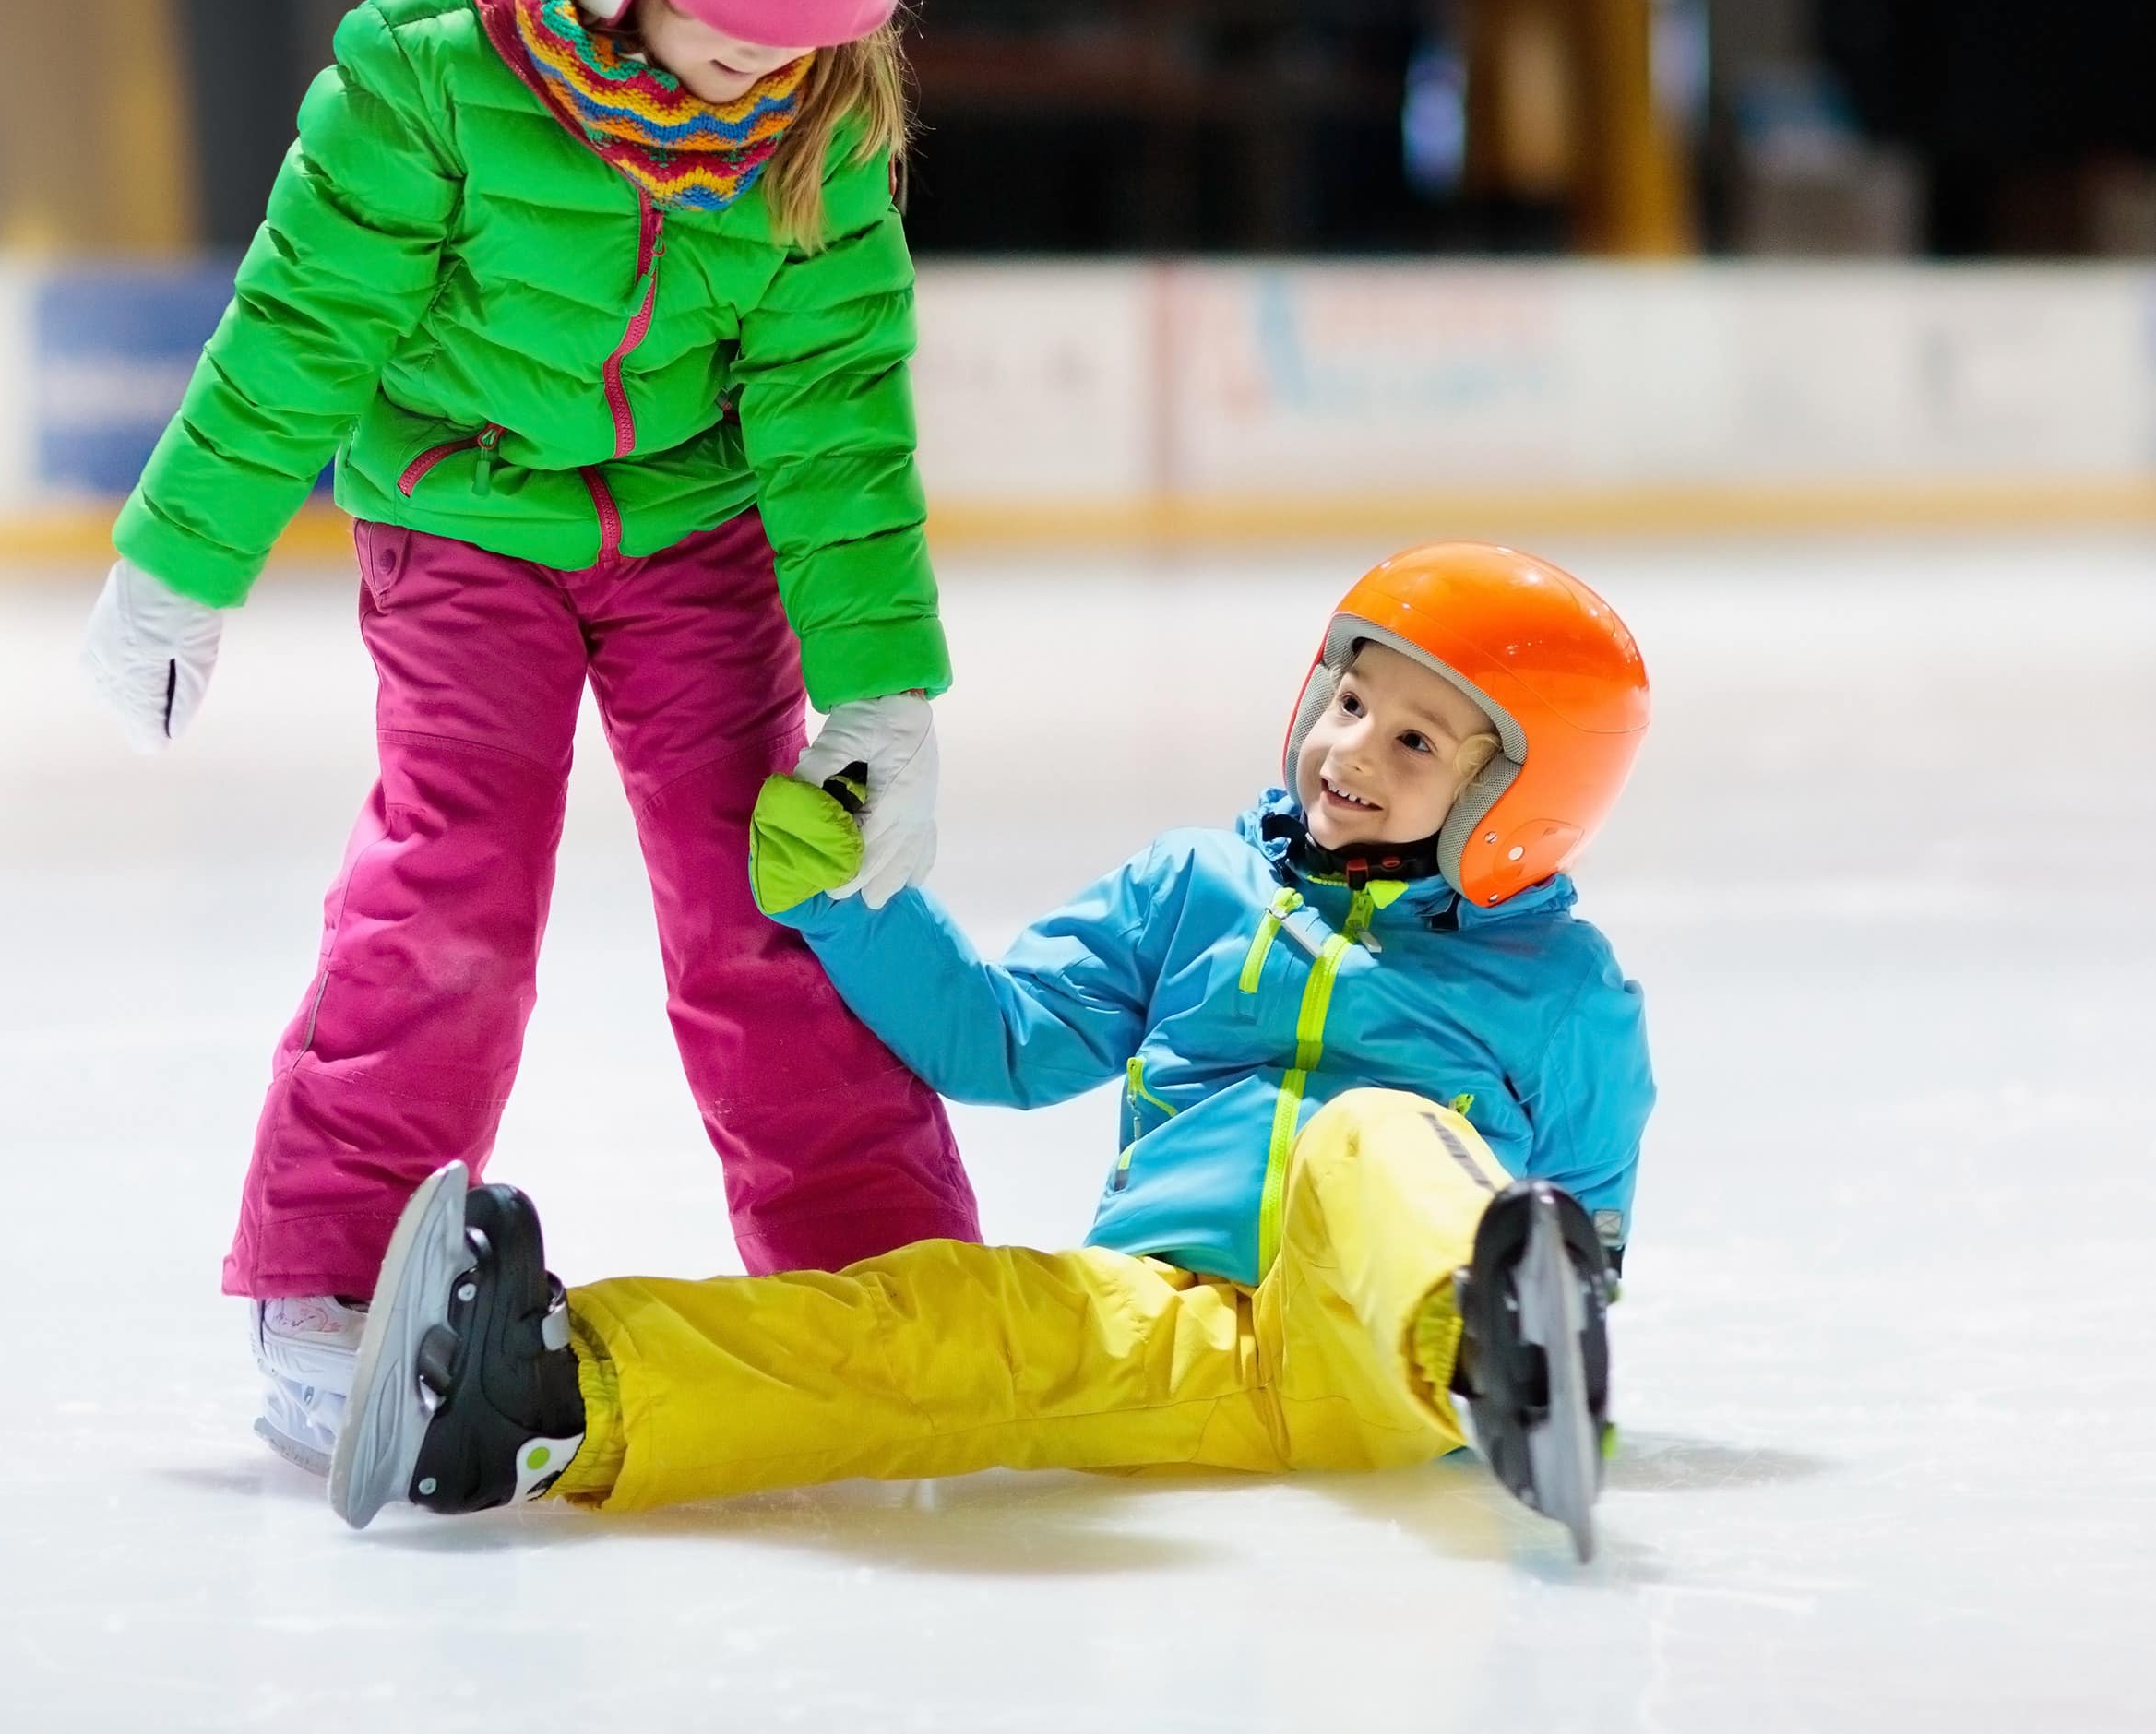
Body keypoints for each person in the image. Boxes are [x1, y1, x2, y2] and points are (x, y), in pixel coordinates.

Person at [77, 0, 982, 1473]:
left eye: (808, 38)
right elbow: (299, 334)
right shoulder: (424, 73)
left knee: (770, 897)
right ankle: (332, 1276)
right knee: (454, 884)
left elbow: (832, 419)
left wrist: (879, 680)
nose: (769, 71)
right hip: (462, 519)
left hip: (693, 532)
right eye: (735, 29)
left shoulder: (815, 125)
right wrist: (179, 565)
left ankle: (875, 1268)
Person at [328, 541, 1658, 1561]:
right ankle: (549, 1391)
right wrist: (858, 903)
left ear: (1518, 801)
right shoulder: (1195, 890)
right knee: (945, 1317)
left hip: (1385, 1355)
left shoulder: (1561, 990)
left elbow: (1584, 1222)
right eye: (1350, 696)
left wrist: (1541, 1302)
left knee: (1371, 1139)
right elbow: (1003, 1036)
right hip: (1162, 1322)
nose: (1349, 747)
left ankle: (1498, 1353)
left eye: (1416, 738)